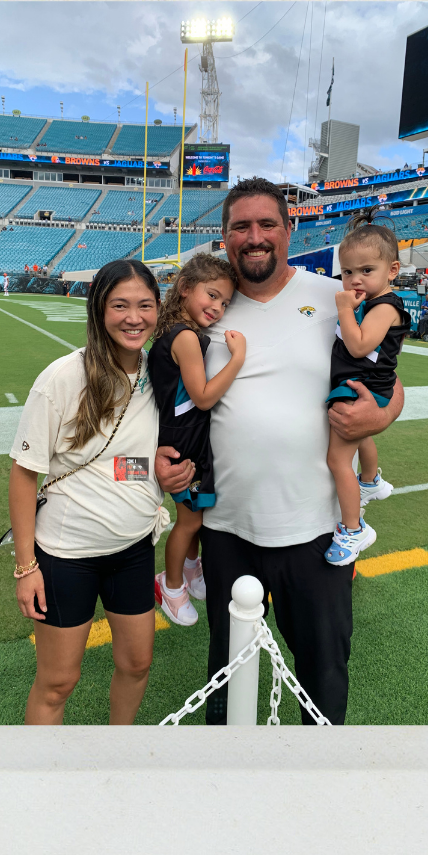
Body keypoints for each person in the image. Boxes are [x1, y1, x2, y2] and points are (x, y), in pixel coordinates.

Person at [154, 177, 404, 726]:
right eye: (241, 226)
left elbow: (388, 380)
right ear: (225, 236)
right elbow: (164, 395)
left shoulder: (334, 296)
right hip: (227, 527)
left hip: (316, 529)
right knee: (228, 672)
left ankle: (317, 770)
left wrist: (382, 415)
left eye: (267, 224)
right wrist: (159, 457)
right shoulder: (208, 308)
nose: (255, 237)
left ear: (289, 230)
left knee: (323, 669)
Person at [8, 259, 178, 726]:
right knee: (58, 682)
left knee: (137, 664)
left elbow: (113, 464)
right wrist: (26, 567)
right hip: (67, 556)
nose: (134, 317)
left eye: (145, 305)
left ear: (158, 309)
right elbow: (24, 474)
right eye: (120, 305)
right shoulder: (63, 377)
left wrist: (158, 468)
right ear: (99, 309)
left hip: (134, 548)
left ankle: (116, 749)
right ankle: (42, 769)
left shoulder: (159, 373)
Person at [148, 254, 245, 627]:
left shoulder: (177, 330)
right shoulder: (186, 337)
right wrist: (237, 359)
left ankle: (190, 568)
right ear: (186, 288)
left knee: (196, 515)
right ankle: (171, 586)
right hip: (183, 442)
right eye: (212, 295)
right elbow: (202, 397)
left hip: (186, 436)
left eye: (225, 303)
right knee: (189, 522)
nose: (218, 308)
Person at [324, 217, 410, 565]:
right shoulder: (377, 302)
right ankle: (372, 480)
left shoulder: (384, 306)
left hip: (363, 387)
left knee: (337, 460)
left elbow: (359, 346)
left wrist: (345, 309)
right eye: (347, 272)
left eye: (366, 270)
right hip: (367, 385)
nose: (355, 279)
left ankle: (353, 529)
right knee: (360, 436)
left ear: (392, 270)